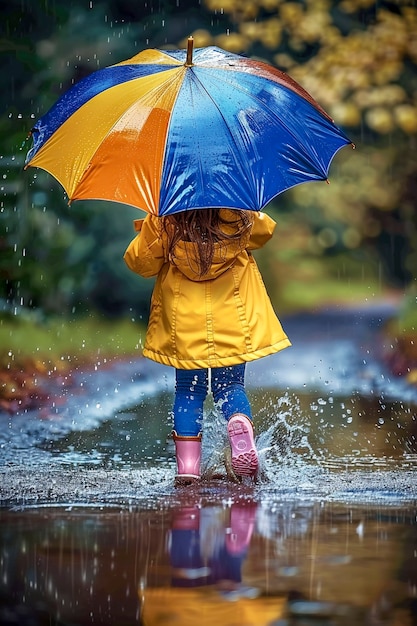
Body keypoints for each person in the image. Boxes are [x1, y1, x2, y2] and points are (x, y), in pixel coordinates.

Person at [124, 208, 291, 485]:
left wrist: (153, 221)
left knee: (188, 391)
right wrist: (244, 206)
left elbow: (139, 262)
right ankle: (238, 423)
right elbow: (264, 232)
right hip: (232, 315)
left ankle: (188, 467)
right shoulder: (238, 213)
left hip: (185, 320)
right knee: (231, 386)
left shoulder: (166, 217)